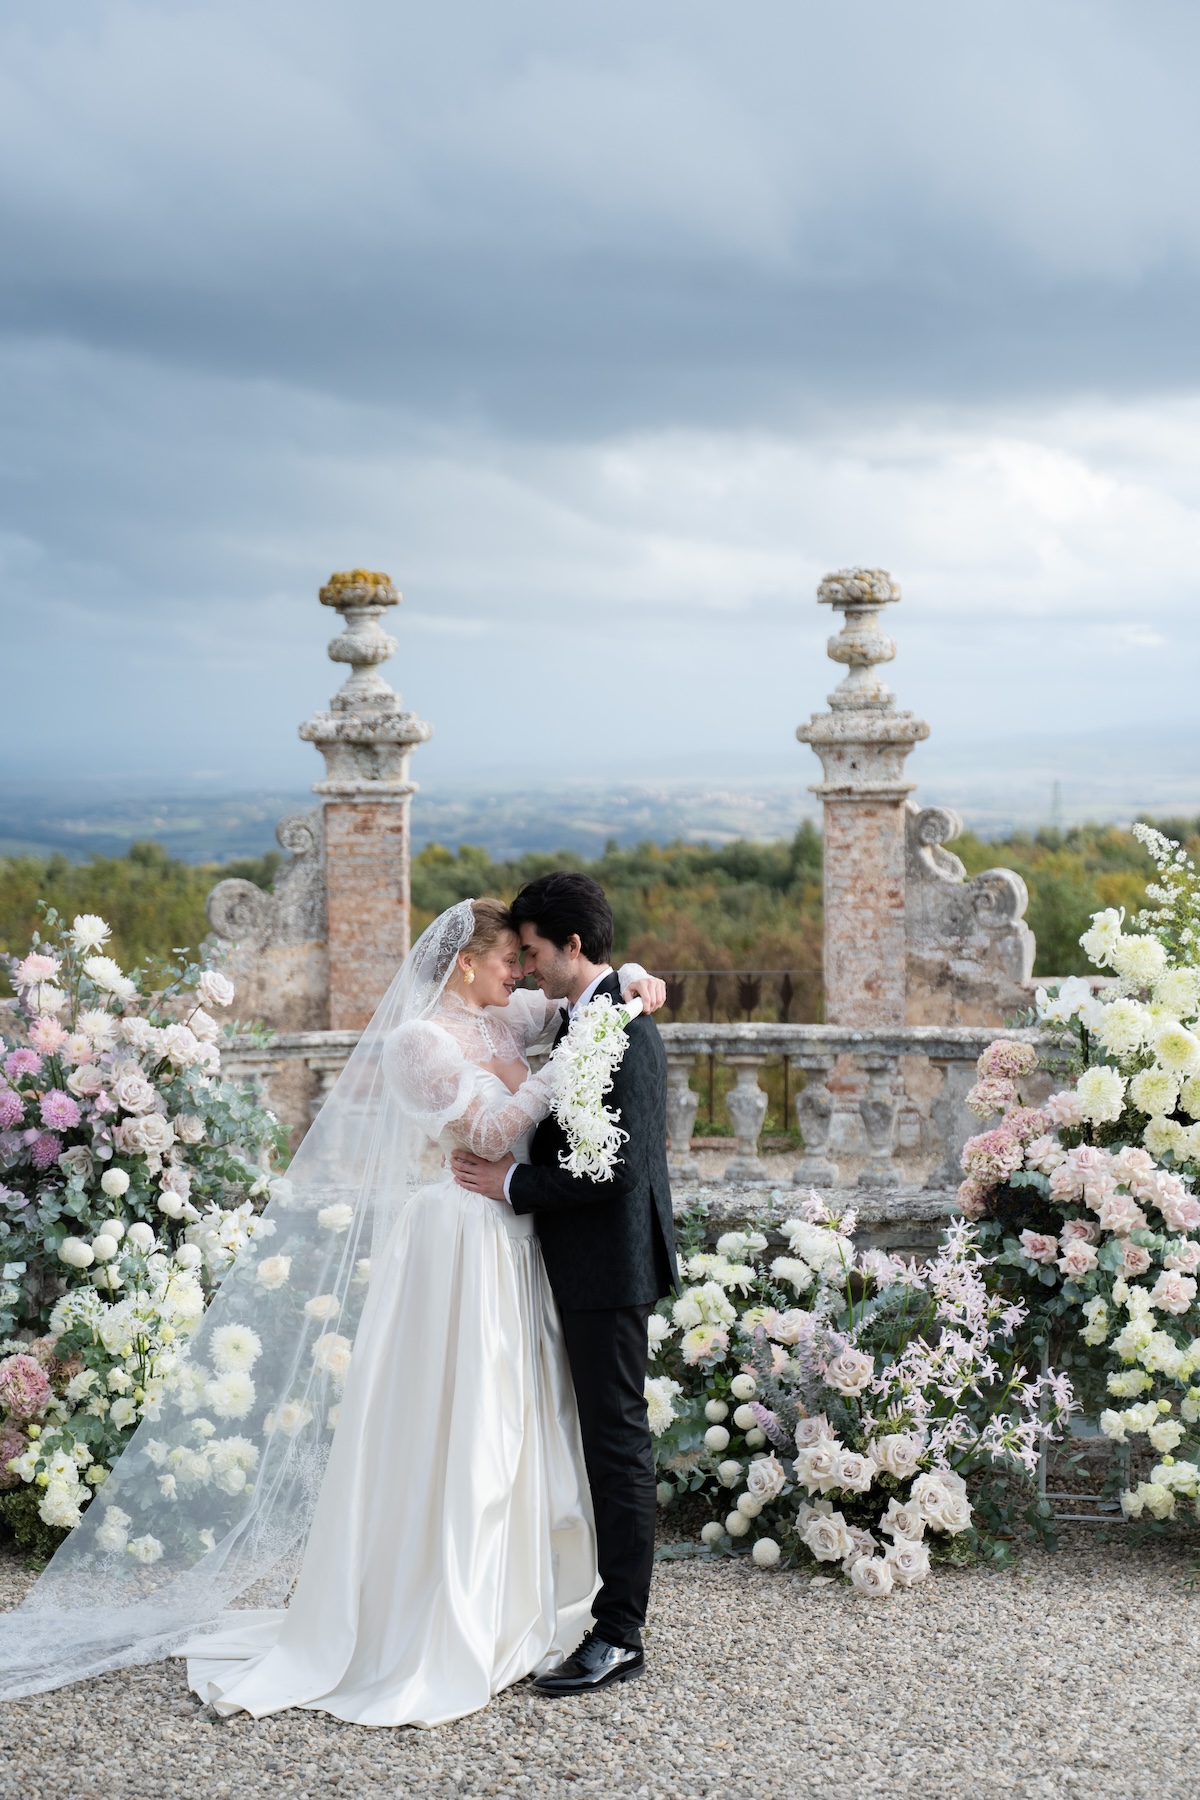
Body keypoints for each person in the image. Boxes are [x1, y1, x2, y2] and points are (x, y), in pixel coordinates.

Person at [0, 898, 664, 1727]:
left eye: (528, 959)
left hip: (511, 1248)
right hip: (453, 1242)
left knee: (517, 1421)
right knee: (451, 1422)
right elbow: (491, 1135)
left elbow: (585, 997)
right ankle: (432, 1610)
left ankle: (509, 1602)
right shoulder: (418, 1042)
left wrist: (633, 979)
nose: (520, 973)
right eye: (508, 960)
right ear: (467, 963)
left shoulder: (509, 1020)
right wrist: (558, 1077)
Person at [452, 871, 677, 1696]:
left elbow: (614, 1172)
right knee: (584, 1438)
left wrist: (510, 1187)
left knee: (616, 1444)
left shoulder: (619, 1026)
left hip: (606, 1265)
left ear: (573, 946)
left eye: (537, 951)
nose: (529, 966)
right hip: (575, 1262)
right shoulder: (601, 1008)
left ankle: (619, 1633)